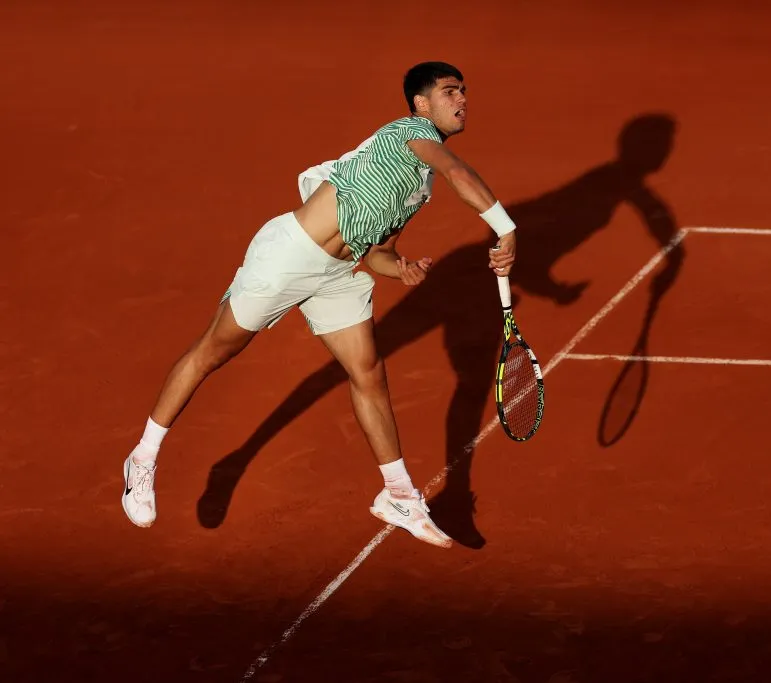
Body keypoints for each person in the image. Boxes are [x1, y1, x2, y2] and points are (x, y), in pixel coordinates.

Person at [120, 62, 517, 549]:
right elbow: (458, 171)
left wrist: (403, 268)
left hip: (337, 275)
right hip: (290, 256)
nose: (461, 99)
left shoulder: (419, 186)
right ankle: (142, 457)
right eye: (449, 91)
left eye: (464, 92)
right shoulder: (409, 133)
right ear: (421, 105)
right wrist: (506, 228)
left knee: (368, 372)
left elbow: (378, 253)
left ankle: (398, 495)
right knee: (214, 352)